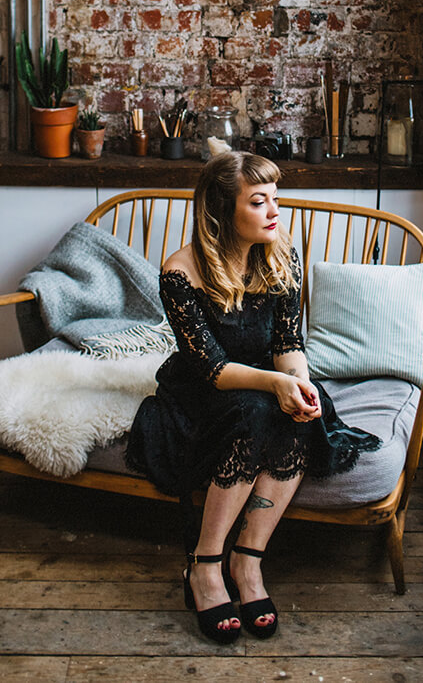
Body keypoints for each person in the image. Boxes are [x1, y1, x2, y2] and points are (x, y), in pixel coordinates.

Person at [126, 151, 380, 644]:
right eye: (259, 201)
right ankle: (204, 564)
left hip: (265, 380)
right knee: (257, 413)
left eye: (275, 199)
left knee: (301, 413)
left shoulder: (281, 255)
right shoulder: (180, 272)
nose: (274, 212)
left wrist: (297, 383)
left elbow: (287, 343)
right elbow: (214, 370)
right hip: (203, 392)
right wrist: (275, 385)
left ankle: (249, 559)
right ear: (222, 211)